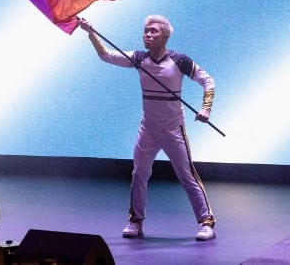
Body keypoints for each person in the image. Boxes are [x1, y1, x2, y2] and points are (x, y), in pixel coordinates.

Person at [77, 14, 217, 241]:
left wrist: (206, 109)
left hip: (173, 129)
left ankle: (207, 222)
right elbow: (106, 56)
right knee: (139, 174)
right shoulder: (139, 59)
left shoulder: (180, 61)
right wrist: (91, 33)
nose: (148, 35)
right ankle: (135, 221)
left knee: (186, 176)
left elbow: (208, 81)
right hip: (148, 129)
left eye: (154, 31)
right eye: (146, 31)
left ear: (166, 35)